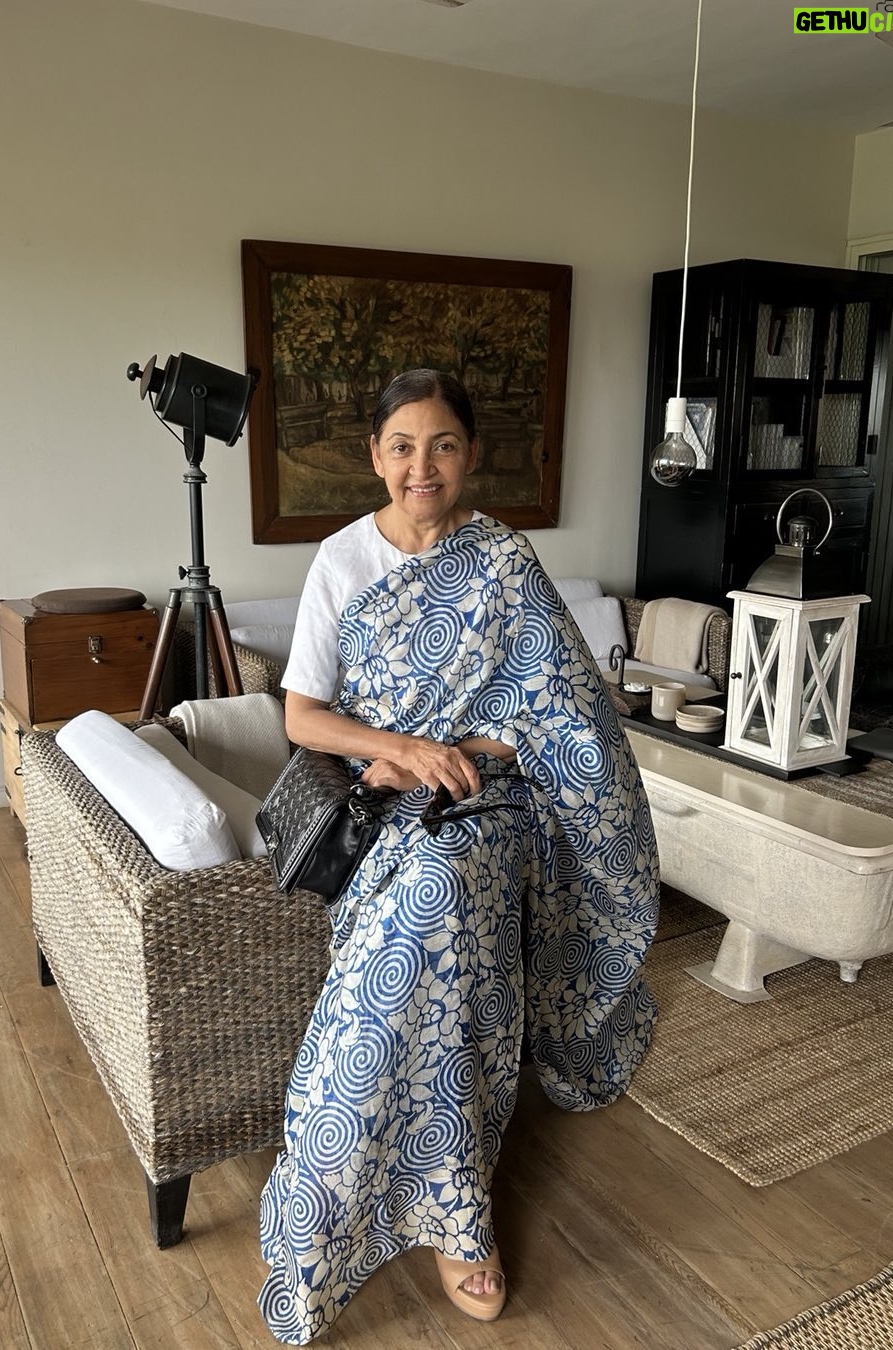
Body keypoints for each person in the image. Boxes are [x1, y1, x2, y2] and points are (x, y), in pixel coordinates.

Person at [258, 369, 659, 1345]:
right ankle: (346, 1194)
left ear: (470, 455)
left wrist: (454, 755)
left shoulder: (504, 563)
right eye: (402, 446)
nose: (422, 466)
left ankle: (457, 1213)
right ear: (375, 457)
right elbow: (302, 715)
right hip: (380, 804)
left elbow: (560, 715)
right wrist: (398, 751)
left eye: (442, 445)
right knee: (428, 925)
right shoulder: (341, 561)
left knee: (443, 897)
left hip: (490, 798)